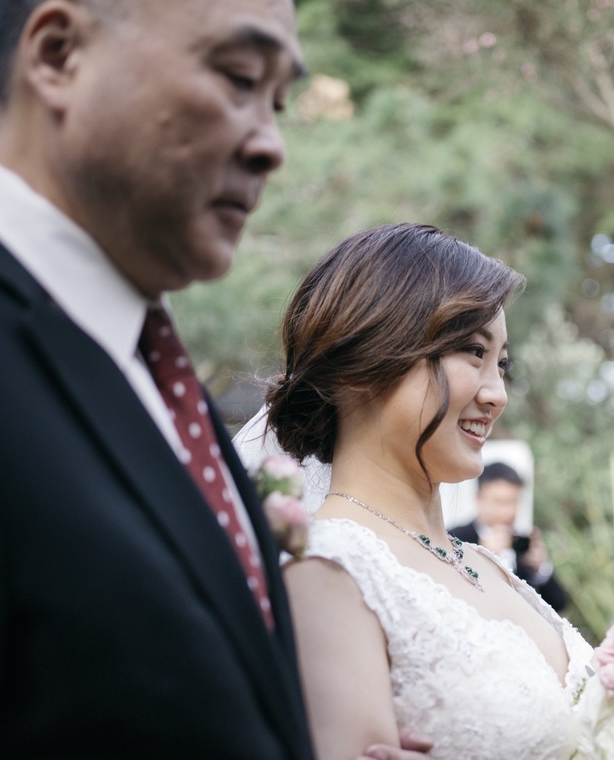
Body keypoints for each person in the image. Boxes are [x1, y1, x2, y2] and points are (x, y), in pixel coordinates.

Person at [0, 1, 429, 758]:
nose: (272, 145)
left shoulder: (159, 383)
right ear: (57, 55)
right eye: (238, 78)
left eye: (278, 102)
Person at [241, 222, 594, 760]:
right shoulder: (328, 570)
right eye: (473, 351)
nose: (497, 394)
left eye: (501, 363)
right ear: (363, 362)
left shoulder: (485, 563)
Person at [449, 462, 570, 613]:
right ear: (479, 499)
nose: (508, 511)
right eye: (499, 502)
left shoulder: (522, 542)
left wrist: (540, 569)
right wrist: (483, 557)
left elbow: (559, 604)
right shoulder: (455, 538)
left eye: (513, 501)